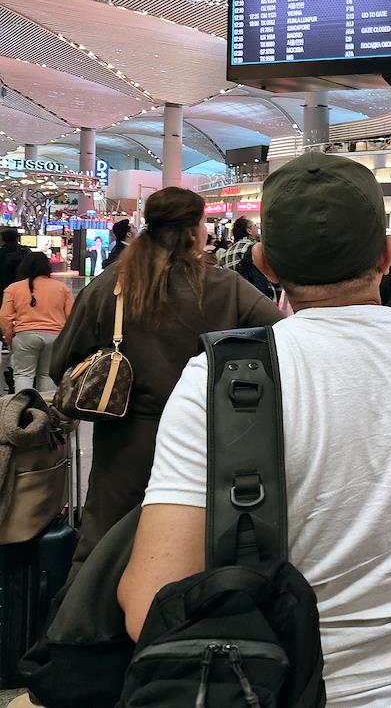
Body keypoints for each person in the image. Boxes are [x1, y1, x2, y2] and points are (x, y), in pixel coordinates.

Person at [118, 153, 391, 705]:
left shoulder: (219, 377)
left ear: (266, 265)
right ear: (386, 255)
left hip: (274, 687)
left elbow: (151, 600)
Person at [50, 187, 283, 574]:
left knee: (102, 554)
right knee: (194, 553)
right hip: (207, 441)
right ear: (194, 231)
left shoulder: (111, 287)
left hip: (124, 445)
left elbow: (61, 361)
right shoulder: (225, 287)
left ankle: (87, 611)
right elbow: (283, 338)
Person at [0, 252, 73, 393]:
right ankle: (44, 406)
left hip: (24, 336)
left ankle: (24, 404)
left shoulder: (13, 288)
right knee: (46, 375)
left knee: (24, 375)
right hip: (55, 337)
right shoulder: (62, 288)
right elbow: (71, 316)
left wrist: (9, 337)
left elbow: (5, 317)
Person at [0, 229, 30, 294]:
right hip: (22, 285)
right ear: (17, 238)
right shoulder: (26, 252)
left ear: (2, 239)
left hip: (4, 286)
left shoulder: (1, 252)